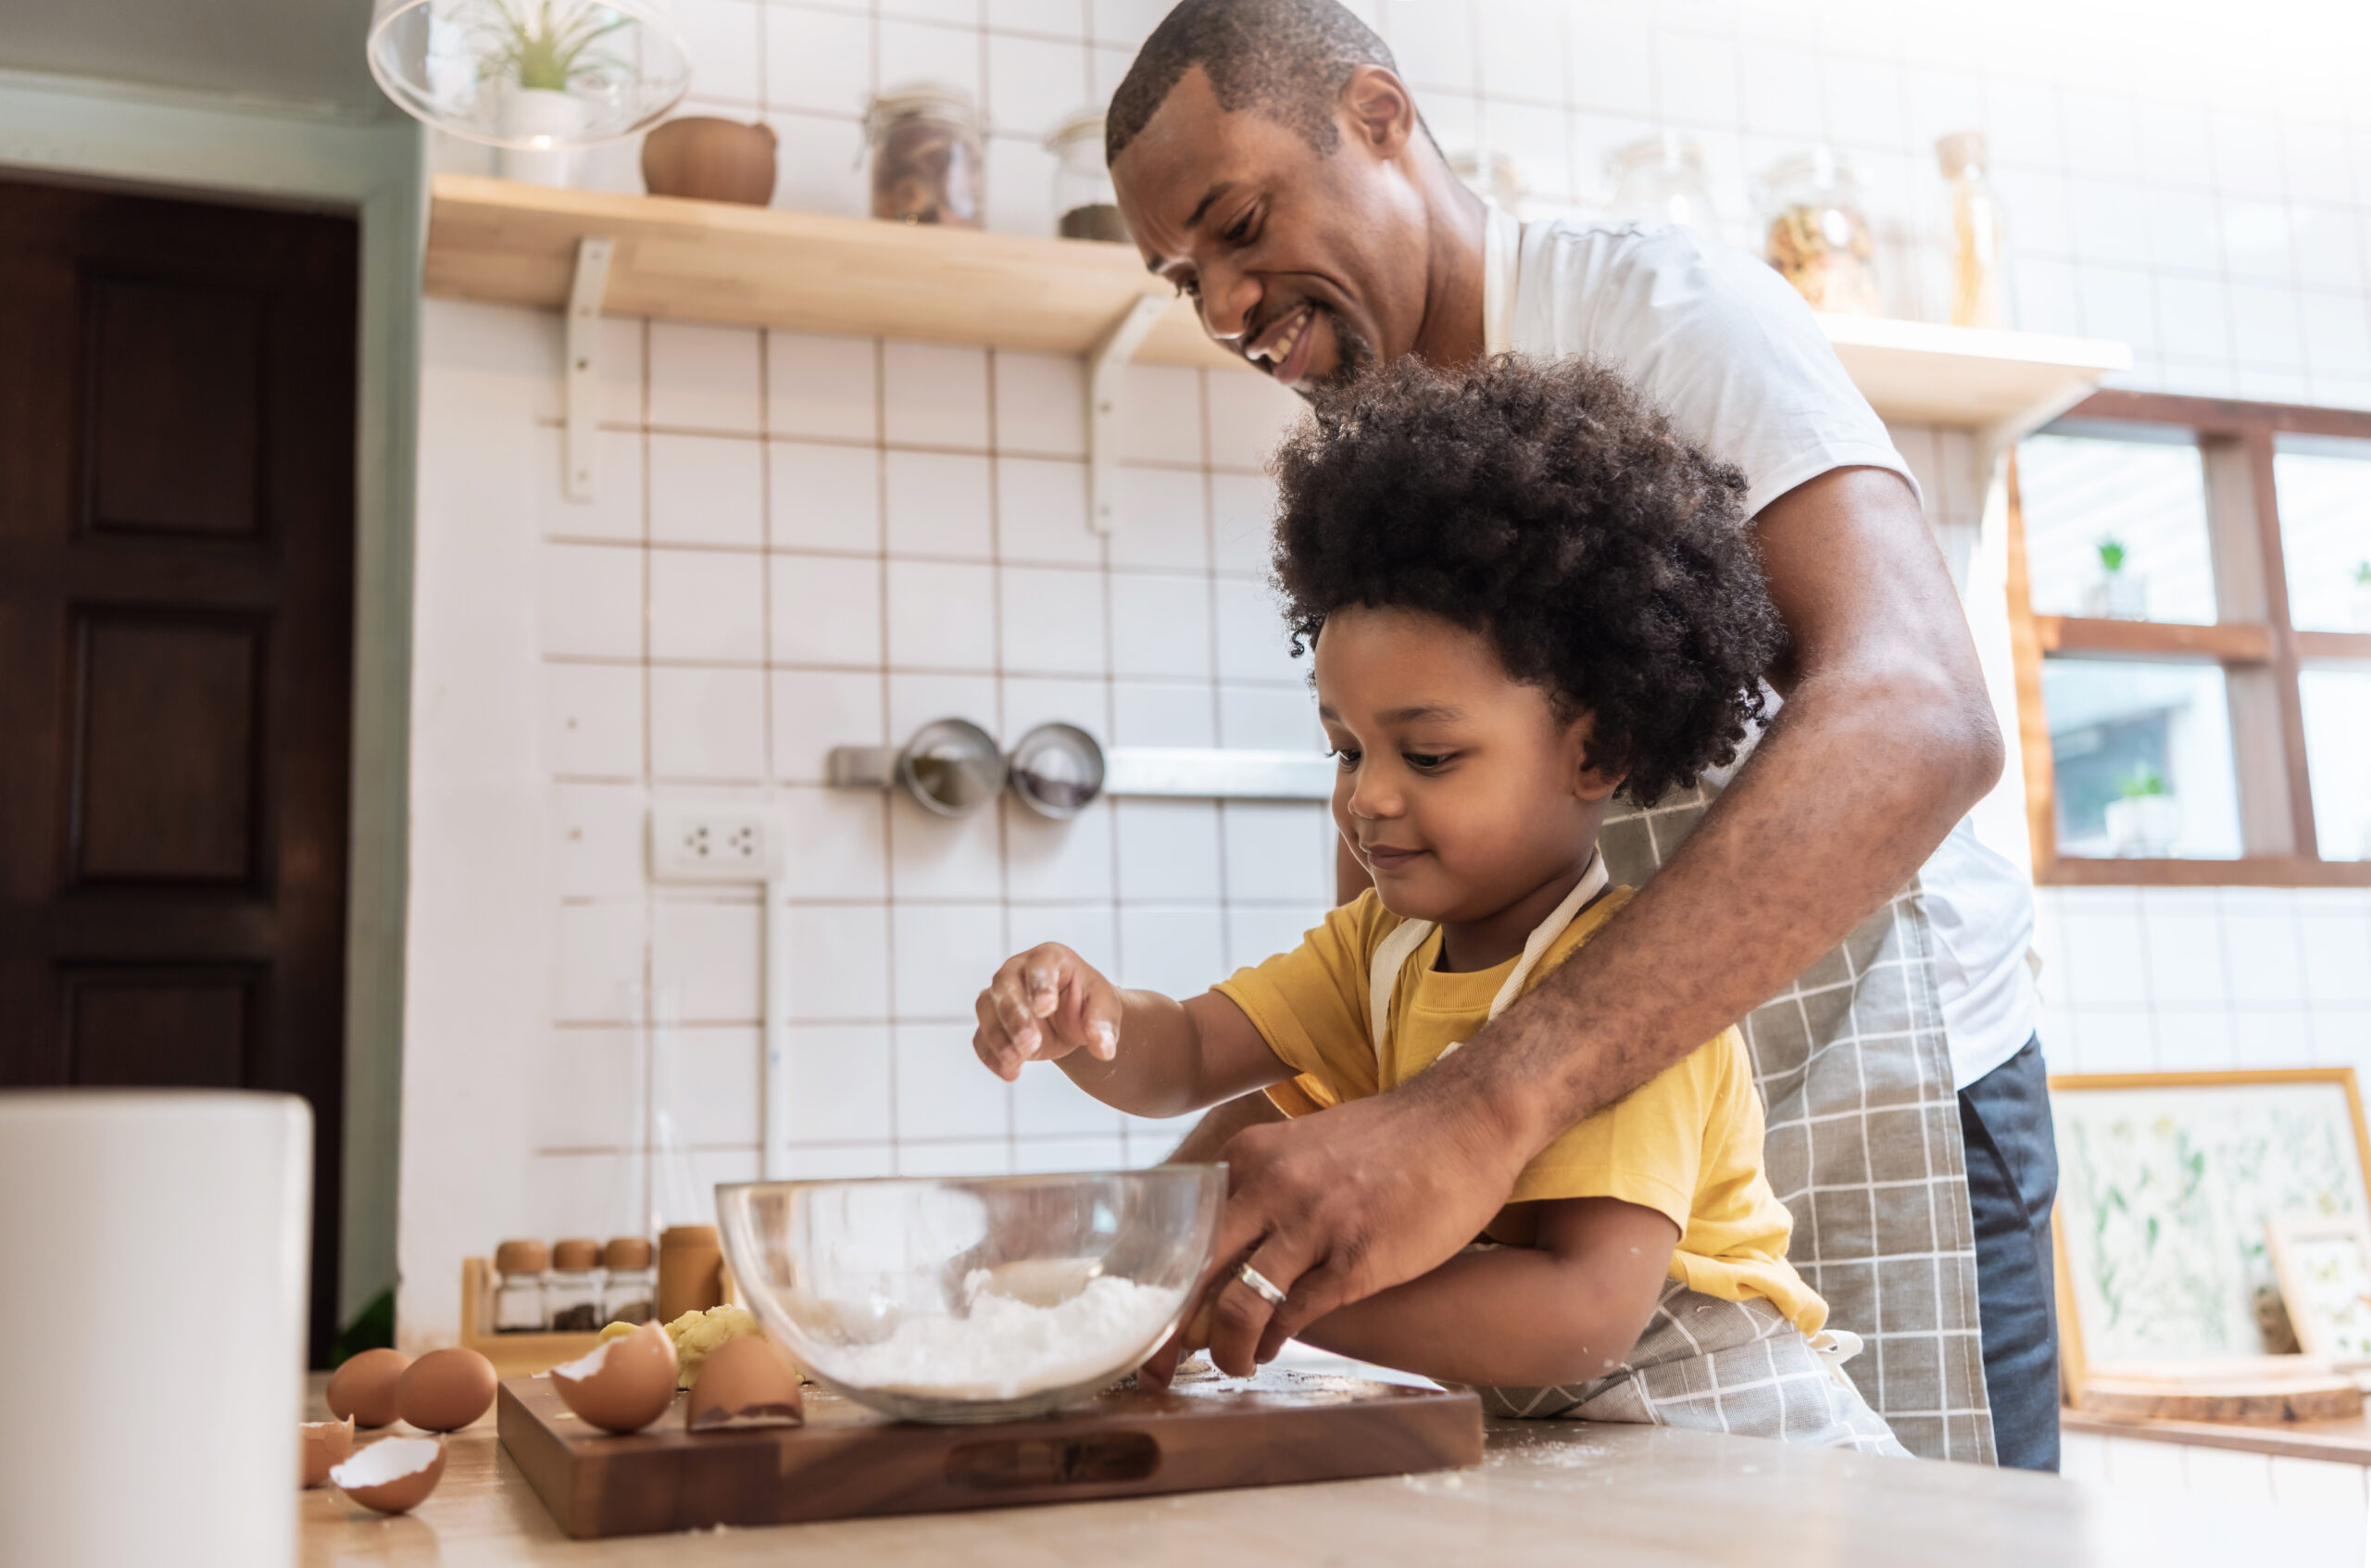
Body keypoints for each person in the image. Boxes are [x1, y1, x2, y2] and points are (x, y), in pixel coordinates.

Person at [1085, 0, 2060, 1470]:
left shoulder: (1664, 319)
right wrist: (1192, 1229)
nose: (1222, 307)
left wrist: (1479, 1105)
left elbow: (1921, 713)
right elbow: (1394, 921)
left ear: (1378, 118)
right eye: (1183, 275)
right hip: (1577, 1109)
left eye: (1238, 224)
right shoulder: (1377, 452)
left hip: (1877, 1090)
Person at [976, 356, 1905, 1456]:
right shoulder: (1380, 950)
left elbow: (1578, 1317)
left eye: (1427, 753)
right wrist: (1086, 1015)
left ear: (1595, 748)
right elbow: (1180, 1055)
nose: (1367, 795)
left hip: (1747, 1448)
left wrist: (1258, 1282)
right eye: (1345, 749)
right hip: (1589, 1458)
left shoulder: (1628, 1002)